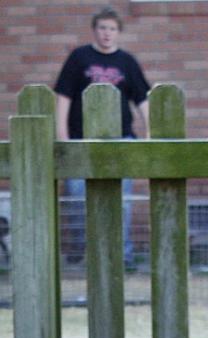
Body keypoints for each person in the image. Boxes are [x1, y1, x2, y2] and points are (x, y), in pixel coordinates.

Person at [54, 6, 150, 269]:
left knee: (122, 203)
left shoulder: (127, 62)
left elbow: (143, 99)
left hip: (121, 142)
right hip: (80, 142)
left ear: (118, 32)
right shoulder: (79, 58)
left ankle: (123, 257)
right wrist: (63, 140)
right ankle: (87, 257)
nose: (107, 33)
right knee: (78, 202)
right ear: (94, 30)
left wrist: (152, 136)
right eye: (102, 28)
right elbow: (63, 97)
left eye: (112, 29)